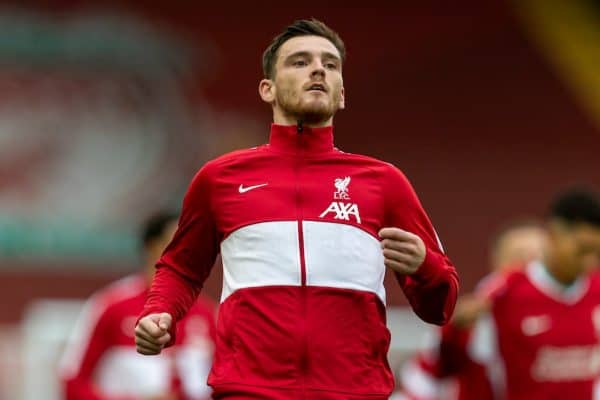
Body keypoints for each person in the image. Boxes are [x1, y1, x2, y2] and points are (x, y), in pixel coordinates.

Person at [135, 19, 459, 399]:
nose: (319, 69)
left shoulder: (385, 182)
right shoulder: (219, 178)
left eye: (331, 64)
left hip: (354, 393)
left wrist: (426, 267)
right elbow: (181, 268)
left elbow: (441, 308)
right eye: (300, 62)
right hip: (249, 392)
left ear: (341, 95)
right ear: (267, 89)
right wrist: (160, 312)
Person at [427, 188, 600, 400]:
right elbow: (462, 369)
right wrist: (455, 329)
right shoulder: (503, 291)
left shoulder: (596, 287)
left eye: (597, 252)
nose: (590, 261)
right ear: (554, 235)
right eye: (583, 250)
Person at [59, 212, 217, 400]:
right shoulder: (112, 305)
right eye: (178, 243)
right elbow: (73, 382)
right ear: (151, 247)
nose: (189, 252)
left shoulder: (208, 314)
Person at [397, 220, 548, 400]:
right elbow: (424, 379)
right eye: (520, 258)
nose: (527, 270)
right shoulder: (469, 319)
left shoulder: (574, 315)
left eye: (538, 259)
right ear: (498, 260)